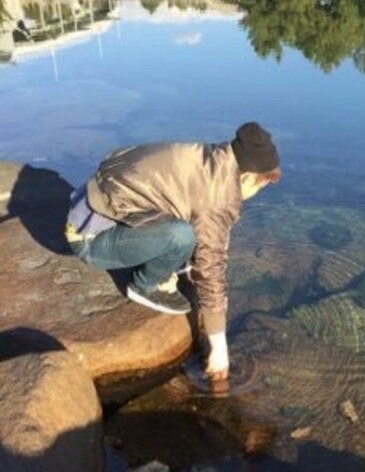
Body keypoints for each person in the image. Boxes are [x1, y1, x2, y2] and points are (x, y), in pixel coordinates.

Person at [65, 122, 281, 382]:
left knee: (190, 231)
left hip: (94, 201)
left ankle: (163, 255)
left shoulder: (209, 157)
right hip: (90, 238)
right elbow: (210, 268)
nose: (253, 195)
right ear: (245, 177)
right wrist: (219, 348)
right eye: (257, 188)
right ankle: (146, 285)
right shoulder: (217, 195)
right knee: (181, 236)